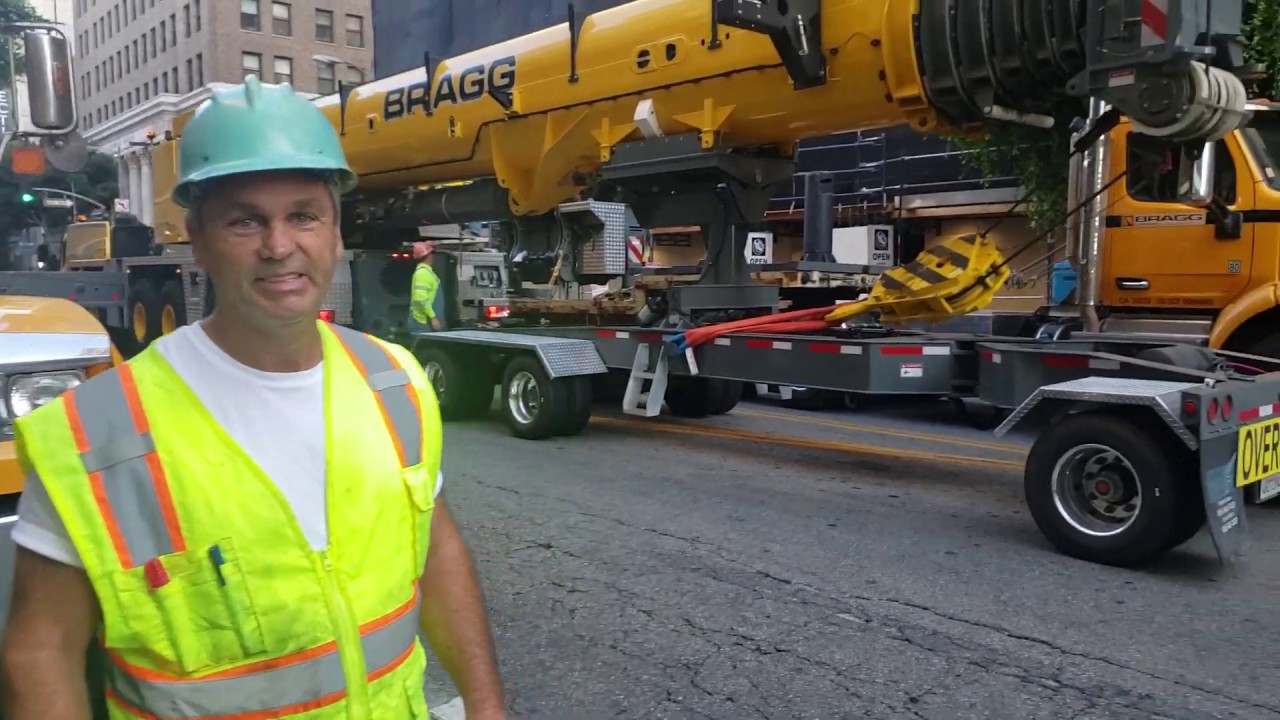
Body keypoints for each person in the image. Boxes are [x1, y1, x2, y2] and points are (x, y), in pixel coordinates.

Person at [0, 76, 506, 720]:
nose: (279, 246)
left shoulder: (394, 380)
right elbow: (41, 651)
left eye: (303, 215)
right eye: (246, 220)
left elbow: (435, 550)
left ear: (335, 232)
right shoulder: (96, 433)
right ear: (198, 238)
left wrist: (487, 706)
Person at [410, 240, 443, 332]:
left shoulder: (425, 272)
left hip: (425, 322)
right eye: (432, 253)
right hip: (423, 322)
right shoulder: (423, 273)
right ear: (428, 256)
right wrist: (433, 317)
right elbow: (421, 299)